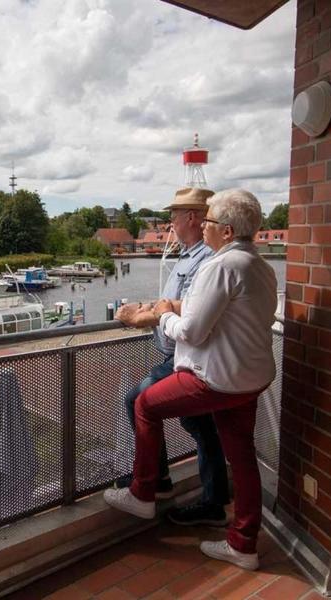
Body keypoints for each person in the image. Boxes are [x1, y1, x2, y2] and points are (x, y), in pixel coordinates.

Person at [105, 189, 277, 571]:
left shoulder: (220, 266)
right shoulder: (259, 265)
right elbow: (225, 312)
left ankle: (143, 492)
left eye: (210, 221)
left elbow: (193, 331)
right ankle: (243, 544)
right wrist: (173, 308)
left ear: (227, 230)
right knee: (243, 457)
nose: (205, 226)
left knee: (143, 403)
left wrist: (164, 314)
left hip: (215, 378)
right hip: (250, 380)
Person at [114, 187, 231, 527]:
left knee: (136, 399)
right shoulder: (190, 255)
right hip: (181, 355)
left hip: (185, 356)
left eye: (175, 216)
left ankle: (153, 483)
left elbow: (191, 313)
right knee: (199, 423)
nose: (170, 222)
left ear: (192, 217)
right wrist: (148, 308)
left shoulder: (205, 262)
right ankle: (213, 497)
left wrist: (138, 317)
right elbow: (173, 304)